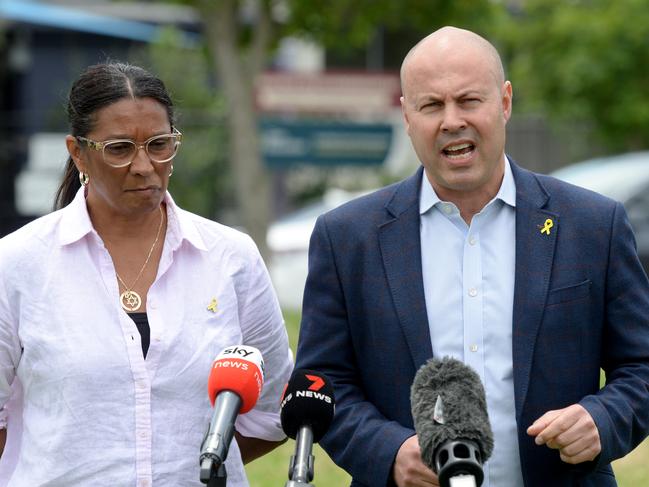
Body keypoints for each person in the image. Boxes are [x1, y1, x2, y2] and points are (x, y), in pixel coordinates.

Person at [294, 26, 649, 487]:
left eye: (468, 100)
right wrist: (387, 452)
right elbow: (321, 384)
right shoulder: (346, 238)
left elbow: (640, 367)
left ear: (504, 102)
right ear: (406, 115)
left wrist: (601, 419)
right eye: (431, 105)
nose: (451, 120)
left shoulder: (592, 225)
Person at [0, 62, 292, 486]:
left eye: (159, 144)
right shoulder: (18, 262)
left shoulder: (231, 258)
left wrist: (184, 471)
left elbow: (270, 411)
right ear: (78, 152)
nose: (143, 165)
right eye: (119, 148)